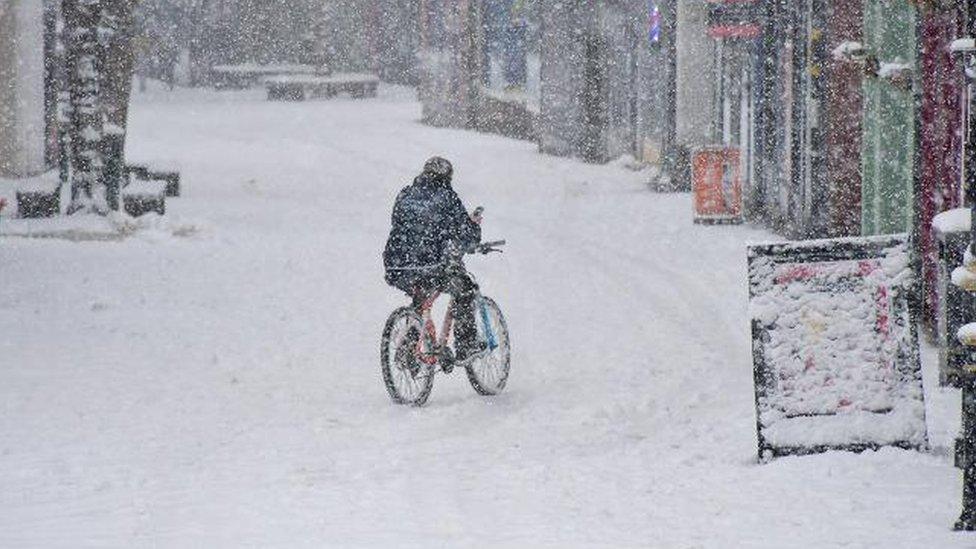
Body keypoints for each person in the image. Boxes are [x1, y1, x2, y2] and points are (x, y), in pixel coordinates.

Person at [384, 157, 483, 362]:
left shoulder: (405, 194)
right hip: (431, 264)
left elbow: (405, 227)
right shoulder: (446, 196)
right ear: (447, 177)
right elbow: (466, 234)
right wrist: (473, 229)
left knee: (421, 295)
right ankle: (467, 345)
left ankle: (410, 344)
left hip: (397, 265)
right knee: (465, 289)